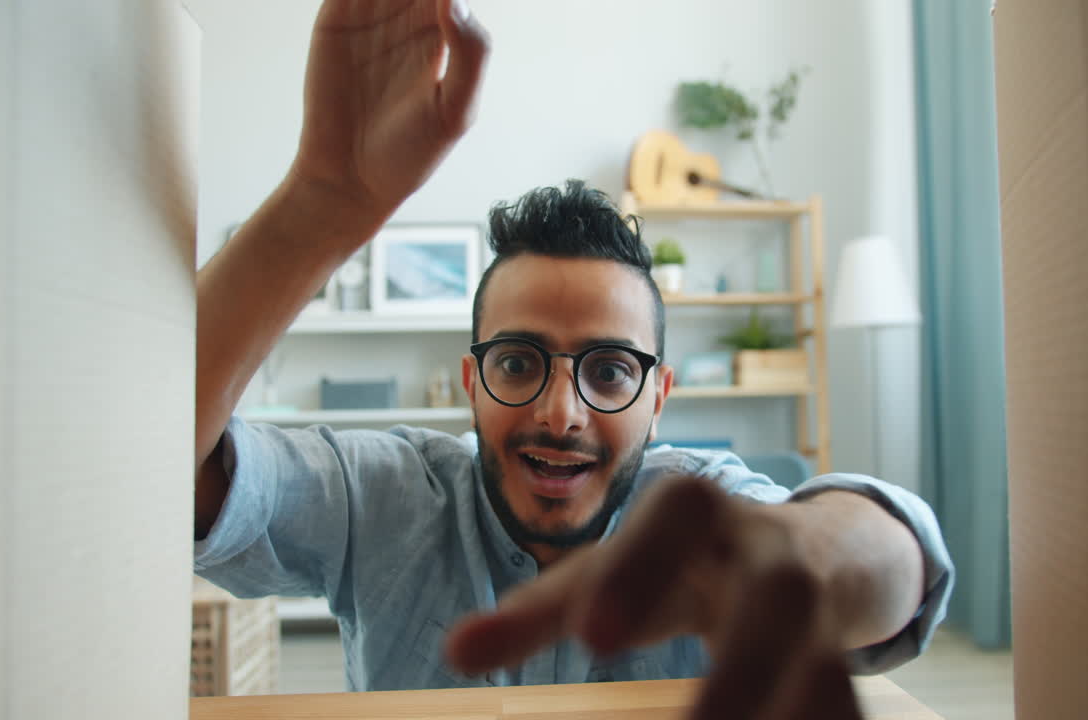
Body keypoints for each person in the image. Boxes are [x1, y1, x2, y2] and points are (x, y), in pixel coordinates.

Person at [194, 1, 953, 718]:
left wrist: (798, 557)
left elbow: (902, 567)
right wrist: (320, 201)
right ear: (471, 383)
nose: (560, 415)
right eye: (518, 363)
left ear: (658, 398)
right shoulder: (384, 498)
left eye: (610, 371)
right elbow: (162, 463)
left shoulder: (701, 518)